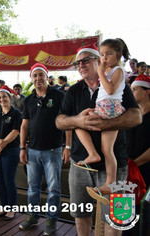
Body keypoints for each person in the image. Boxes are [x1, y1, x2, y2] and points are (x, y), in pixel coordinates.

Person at [55, 44, 141, 236]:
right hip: (80, 164)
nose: (81, 65)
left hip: (116, 164)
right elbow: (60, 121)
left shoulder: (120, 84)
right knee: (81, 215)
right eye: (78, 62)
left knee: (116, 218)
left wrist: (104, 124)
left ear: (99, 60)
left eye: (86, 59)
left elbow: (137, 117)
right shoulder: (74, 90)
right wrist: (78, 120)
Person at [73, 39, 130, 198]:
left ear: (118, 55)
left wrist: (100, 73)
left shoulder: (118, 70)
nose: (104, 58)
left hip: (109, 108)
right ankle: (109, 184)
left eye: (108, 54)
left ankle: (92, 154)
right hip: (106, 108)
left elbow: (110, 90)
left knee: (78, 123)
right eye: (102, 55)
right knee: (107, 150)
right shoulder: (108, 71)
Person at [18, 63, 67, 235]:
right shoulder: (28, 99)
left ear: (47, 76)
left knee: (54, 188)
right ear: (31, 79)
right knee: (33, 187)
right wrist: (22, 148)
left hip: (53, 150)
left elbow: (67, 121)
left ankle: (52, 220)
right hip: (32, 150)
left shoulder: (59, 96)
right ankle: (32, 217)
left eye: (41, 75)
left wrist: (67, 146)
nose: (38, 78)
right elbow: (24, 126)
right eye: (34, 76)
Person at [0, 85, 21, 221]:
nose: (2, 99)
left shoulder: (16, 113)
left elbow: (15, 132)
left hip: (10, 150)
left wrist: (1, 145)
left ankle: (12, 208)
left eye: (4, 97)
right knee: (0, 180)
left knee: (8, 180)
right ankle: (4, 205)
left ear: (9, 98)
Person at [127, 75, 150, 188]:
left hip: (145, 171)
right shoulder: (130, 115)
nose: (132, 93)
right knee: (122, 204)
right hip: (127, 170)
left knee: (143, 204)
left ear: (147, 92)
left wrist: (135, 164)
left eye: (135, 89)